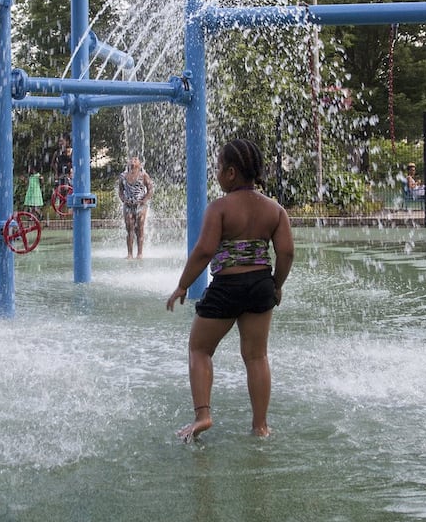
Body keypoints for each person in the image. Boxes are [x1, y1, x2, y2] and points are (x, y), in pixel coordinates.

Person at [166, 138, 294, 442]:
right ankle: (260, 425)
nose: (217, 172)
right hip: (261, 284)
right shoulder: (275, 210)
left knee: (200, 348)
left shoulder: (220, 208)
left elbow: (204, 251)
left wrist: (183, 284)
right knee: (256, 356)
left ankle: (203, 416)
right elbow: (287, 253)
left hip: (226, 287)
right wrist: (276, 284)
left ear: (232, 172)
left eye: (219, 167)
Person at [118, 155, 155, 258]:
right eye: (131, 159)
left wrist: (144, 200)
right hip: (128, 205)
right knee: (129, 228)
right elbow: (120, 191)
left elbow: (150, 189)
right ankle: (129, 253)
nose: (133, 161)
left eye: (136, 160)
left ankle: (140, 253)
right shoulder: (123, 176)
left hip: (141, 206)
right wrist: (124, 200)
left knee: (140, 228)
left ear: (140, 164)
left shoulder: (143, 175)